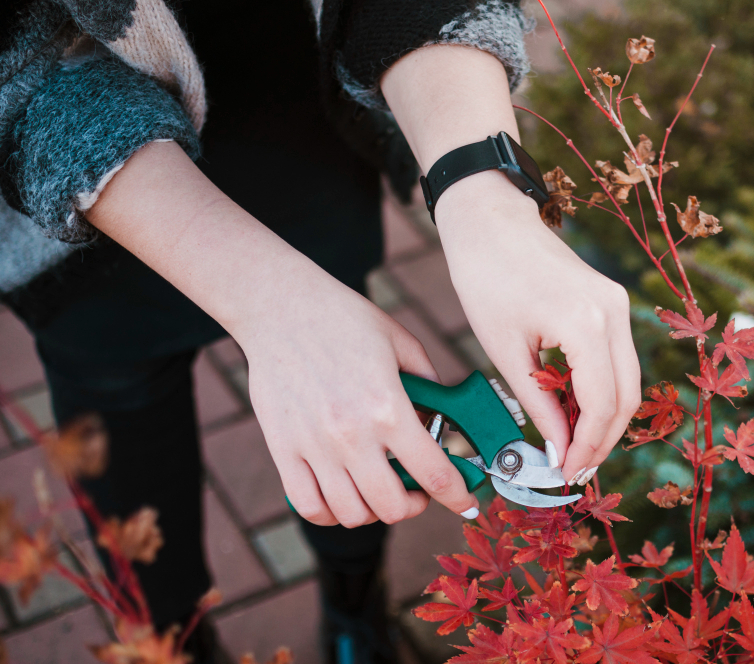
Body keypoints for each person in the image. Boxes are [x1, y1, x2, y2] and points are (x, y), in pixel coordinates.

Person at [0, 1, 641, 662]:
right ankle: (176, 645)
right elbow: (11, 78)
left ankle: (356, 608)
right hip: (92, 224)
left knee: (367, 420)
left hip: (295, 117)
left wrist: (480, 183)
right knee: (129, 459)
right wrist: (267, 298)